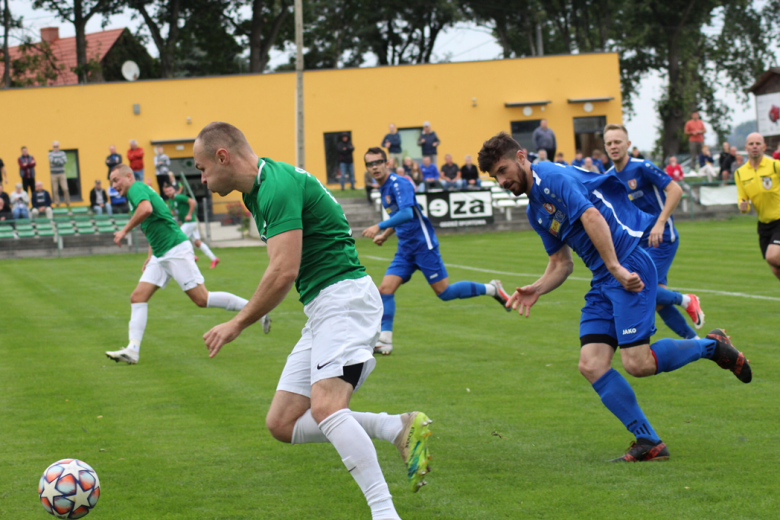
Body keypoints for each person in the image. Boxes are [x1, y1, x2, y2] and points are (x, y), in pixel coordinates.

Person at [193, 122, 434, 517]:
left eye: (202, 169)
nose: (202, 179)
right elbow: (284, 267)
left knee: (326, 408)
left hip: (344, 298)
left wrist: (236, 322)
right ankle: (395, 427)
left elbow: (283, 271)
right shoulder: (260, 190)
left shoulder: (275, 185)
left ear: (223, 157)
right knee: (282, 423)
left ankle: (385, 513)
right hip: (325, 307)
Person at [478, 131, 752, 462]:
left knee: (637, 364)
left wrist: (616, 268)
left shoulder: (552, 175)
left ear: (521, 157)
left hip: (627, 265)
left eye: (503, 170)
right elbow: (561, 264)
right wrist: (537, 287)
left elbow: (591, 216)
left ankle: (712, 347)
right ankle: (649, 441)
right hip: (603, 278)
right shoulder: (536, 210)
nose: (501, 180)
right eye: (495, 177)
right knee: (591, 364)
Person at [104, 164, 269, 365]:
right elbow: (152, 223)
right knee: (138, 297)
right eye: (112, 182)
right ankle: (133, 349)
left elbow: (146, 209)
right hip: (160, 253)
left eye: (115, 180)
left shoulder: (136, 188)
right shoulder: (135, 195)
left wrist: (123, 231)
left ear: (129, 176)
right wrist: (150, 254)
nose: (114, 186)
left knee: (202, 298)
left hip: (175, 249)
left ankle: (256, 310)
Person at [361, 146, 510, 355]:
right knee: (385, 289)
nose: (374, 167)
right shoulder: (384, 187)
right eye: (370, 164)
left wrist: (380, 226)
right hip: (405, 248)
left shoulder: (399, 183)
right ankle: (385, 339)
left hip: (423, 245)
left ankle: (492, 289)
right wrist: (385, 236)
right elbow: (402, 214)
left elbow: (406, 213)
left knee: (444, 292)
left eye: (378, 162)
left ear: (387, 163)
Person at [604, 123, 705, 341]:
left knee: (641, 289)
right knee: (658, 300)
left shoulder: (642, 167)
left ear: (628, 144)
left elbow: (675, 190)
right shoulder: (609, 178)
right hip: (639, 246)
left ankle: (687, 300)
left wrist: (660, 222)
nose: (613, 146)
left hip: (662, 239)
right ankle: (696, 342)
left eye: (618, 142)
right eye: (609, 143)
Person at [735, 132, 780, 281]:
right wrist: (743, 206)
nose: (755, 146)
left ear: (764, 147)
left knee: (772, 257)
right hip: (764, 225)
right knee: (775, 269)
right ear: (746, 147)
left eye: (758, 143)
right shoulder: (740, 173)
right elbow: (743, 201)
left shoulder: (775, 165)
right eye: (752, 144)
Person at [163, 184, 219, 268]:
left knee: (179, 238)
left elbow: (192, 202)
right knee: (197, 243)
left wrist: (189, 214)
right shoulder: (171, 201)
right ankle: (214, 258)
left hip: (190, 222)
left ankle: (192, 256)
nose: (169, 192)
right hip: (188, 223)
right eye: (166, 191)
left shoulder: (179, 197)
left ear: (174, 190)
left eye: (170, 190)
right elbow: (176, 212)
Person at [48, 141, 70, 209]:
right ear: (53, 147)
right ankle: (57, 203)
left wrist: (56, 161)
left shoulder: (62, 153)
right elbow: (52, 160)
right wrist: (59, 161)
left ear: (58, 147)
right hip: (53, 174)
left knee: (65, 189)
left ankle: (67, 203)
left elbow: (65, 161)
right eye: (54, 146)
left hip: (61, 173)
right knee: (55, 190)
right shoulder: (50, 153)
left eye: (57, 146)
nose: (56, 148)